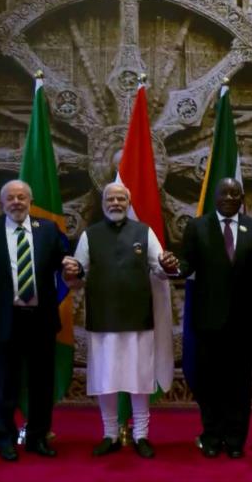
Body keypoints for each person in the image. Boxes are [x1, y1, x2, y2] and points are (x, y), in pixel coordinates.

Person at [161, 178, 252, 459]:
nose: (228, 197)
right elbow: (187, 264)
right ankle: (212, 436)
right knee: (209, 382)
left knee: (239, 384)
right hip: (207, 319)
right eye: (223, 193)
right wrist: (172, 267)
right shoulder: (197, 227)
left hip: (244, 321)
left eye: (234, 193)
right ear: (215, 197)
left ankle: (235, 440)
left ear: (242, 198)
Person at [62, 183, 173, 459]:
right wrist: (71, 273)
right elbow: (77, 277)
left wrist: (167, 266)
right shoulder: (90, 235)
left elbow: (160, 270)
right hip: (103, 318)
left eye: (121, 199)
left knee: (140, 379)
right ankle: (109, 434)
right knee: (106, 378)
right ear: (103, 203)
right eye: (110, 199)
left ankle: (141, 435)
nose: (115, 203)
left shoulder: (144, 232)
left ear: (128, 203)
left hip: (138, 317)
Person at [0, 179, 65, 462]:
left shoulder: (48, 230)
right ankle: (4, 438)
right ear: (2, 203)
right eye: (10, 198)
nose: (16, 202)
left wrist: (73, 268)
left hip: (41, 319)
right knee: (4, 384)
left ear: (30, 201)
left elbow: (65, 263)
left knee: (41, 384)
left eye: (22, 197)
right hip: (6, 319)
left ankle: (38, 438)